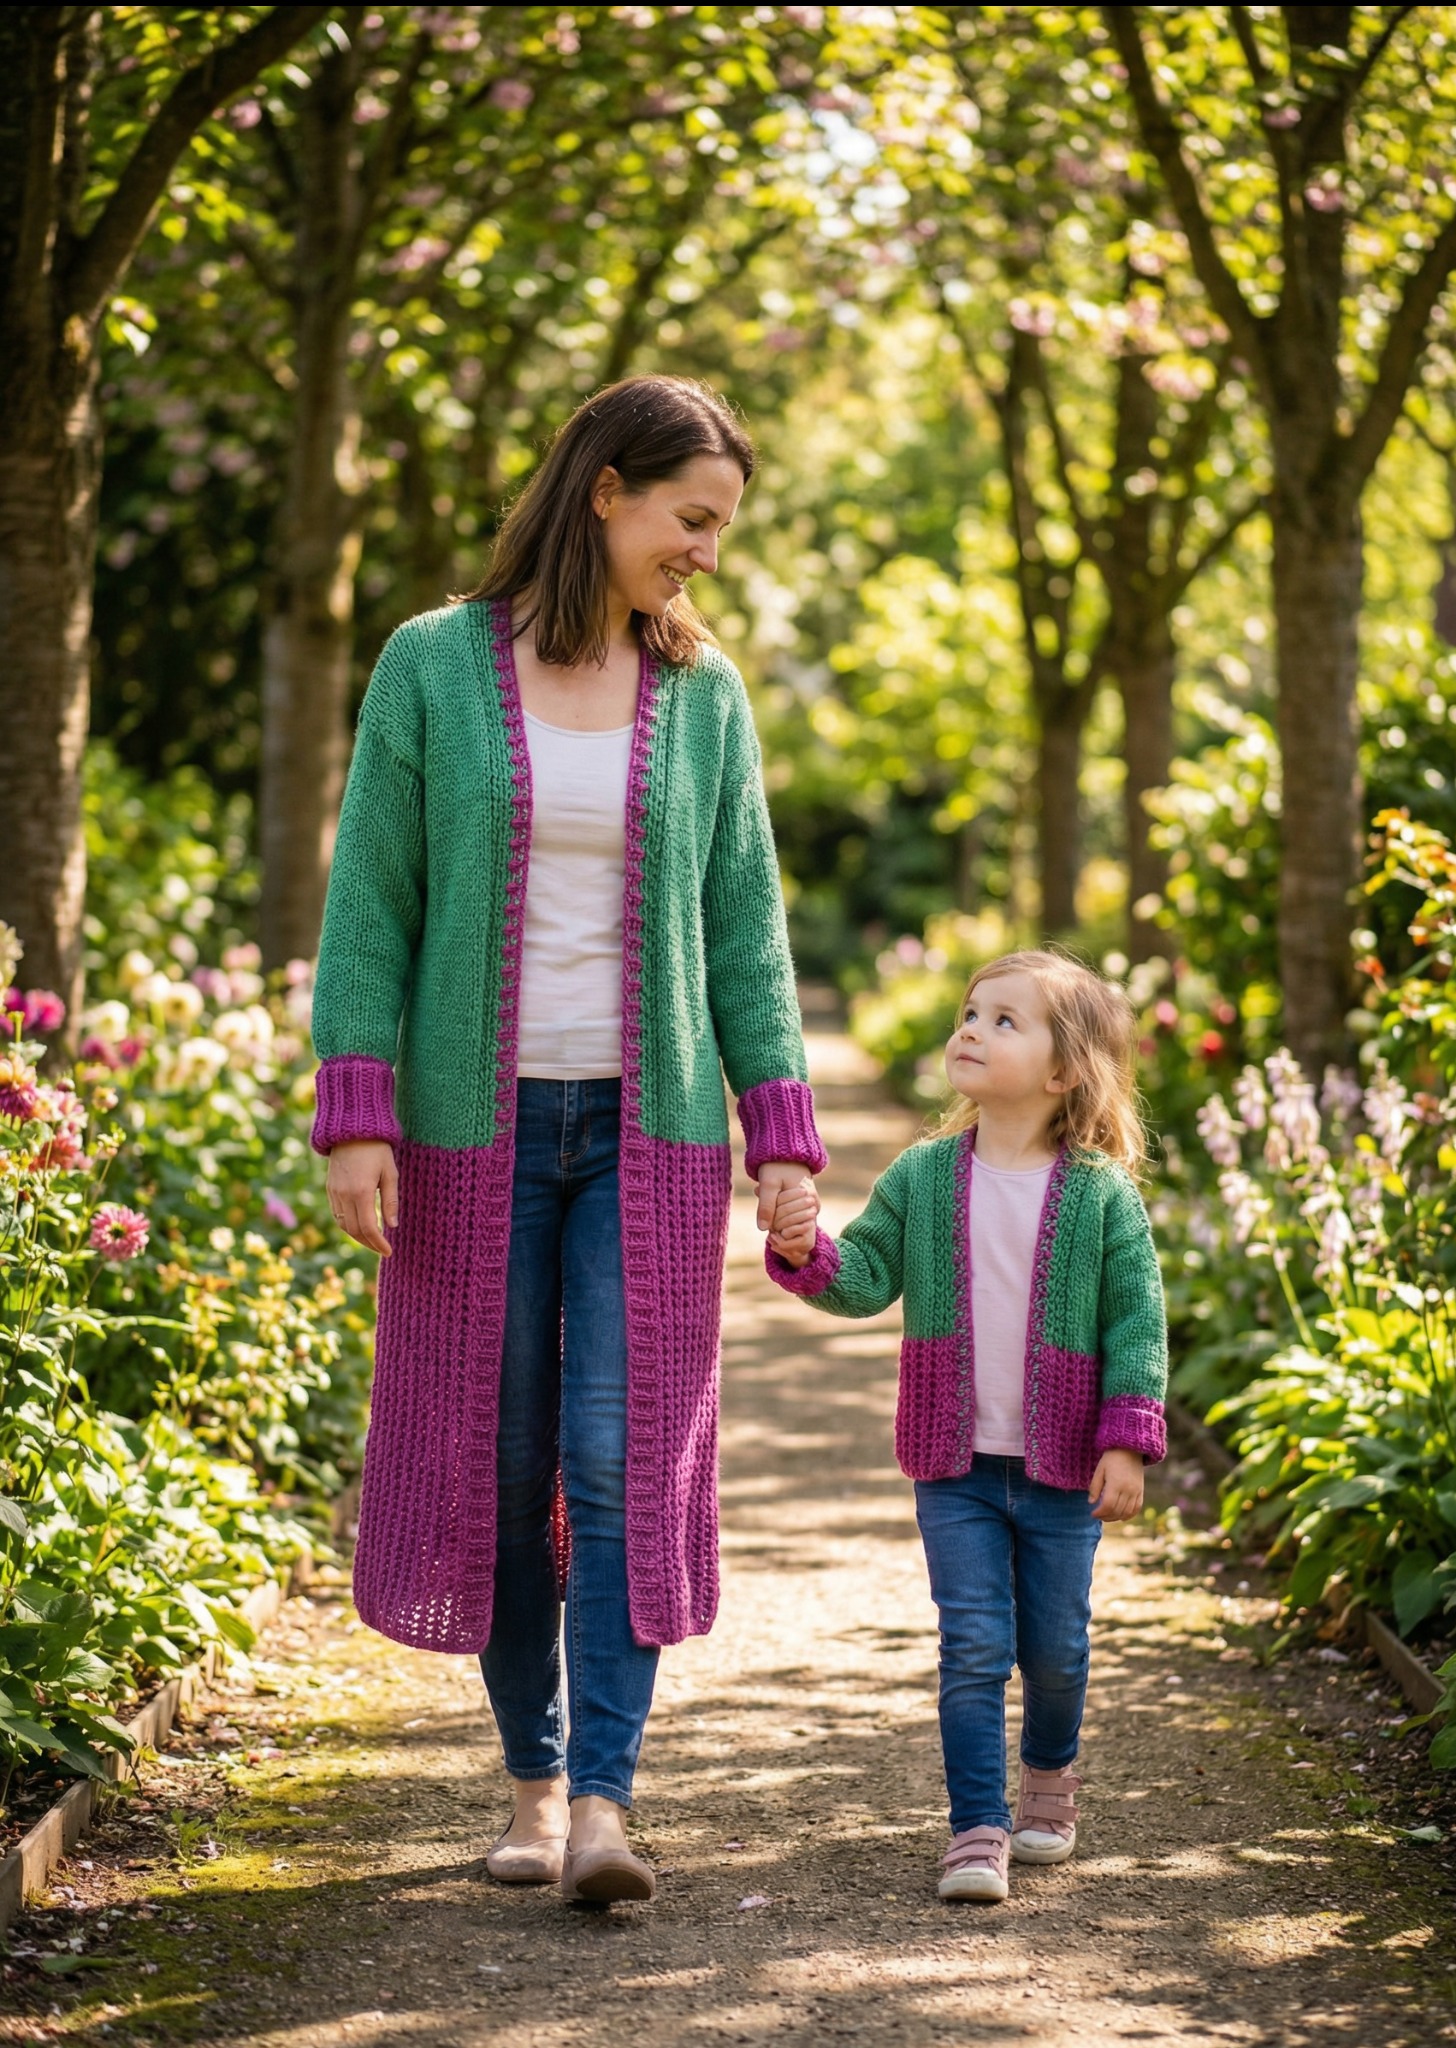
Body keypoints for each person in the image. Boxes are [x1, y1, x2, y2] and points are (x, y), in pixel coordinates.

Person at [310, 375, 827, 1906]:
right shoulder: (428, 668)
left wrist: (778, 1130)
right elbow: (369, 908)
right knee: (503, 1453)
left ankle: (605, 1799)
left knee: (614, 1458)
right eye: (691, 519)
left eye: (722, 529)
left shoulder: (706, 696)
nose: (706, 555)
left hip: (645, 1135)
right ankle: (527, 1788)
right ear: (603, 488)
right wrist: (358, 1114)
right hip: (475, 1136)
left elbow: (745, 929)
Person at [765, 949, 1166, 1904]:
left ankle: (1048, 1776)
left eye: (1003, 1021)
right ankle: (975, 1828)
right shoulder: (923, 1176)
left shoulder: (1101, 1196)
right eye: (969, 1012)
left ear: (1064, 1071)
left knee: (1056, 1649)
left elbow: (1135, 1321)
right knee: (974, 1644)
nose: (971, 1030)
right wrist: (802, 1249)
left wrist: (1126, 1437)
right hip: (955, 1467)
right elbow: (862, 1276)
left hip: (1064, 1469)